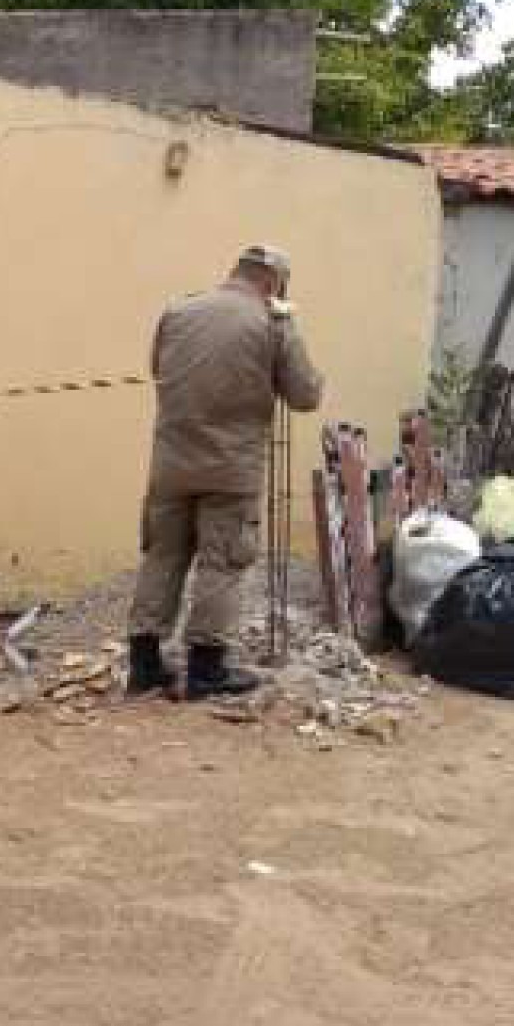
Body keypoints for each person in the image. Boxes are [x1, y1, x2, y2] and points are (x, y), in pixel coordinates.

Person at [128, 245, 325, 700]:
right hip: (231, 467)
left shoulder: (177, 311)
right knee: (222, 561)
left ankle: (143, 667)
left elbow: (158, 370)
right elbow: (305, 395)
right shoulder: (273, 323)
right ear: (274, 283)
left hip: (171, 463)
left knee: (163, 555)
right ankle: (206, 671)